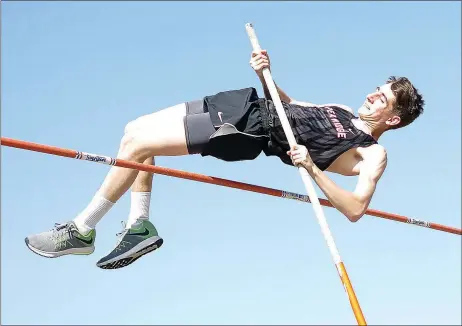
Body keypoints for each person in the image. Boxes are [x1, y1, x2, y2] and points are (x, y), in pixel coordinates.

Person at [25, 49, 425, 269]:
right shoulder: (340, 108)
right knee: (134, 130)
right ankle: (138, 227)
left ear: (392, 118)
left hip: (250, 132)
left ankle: (82, 229)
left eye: (382, 97)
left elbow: (355, 208)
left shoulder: (372, 151)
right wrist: (268, 74)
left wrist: (311, 168)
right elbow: (292, 105)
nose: (372, 94)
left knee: (137, 148)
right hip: (245, 103)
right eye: (377, 88)